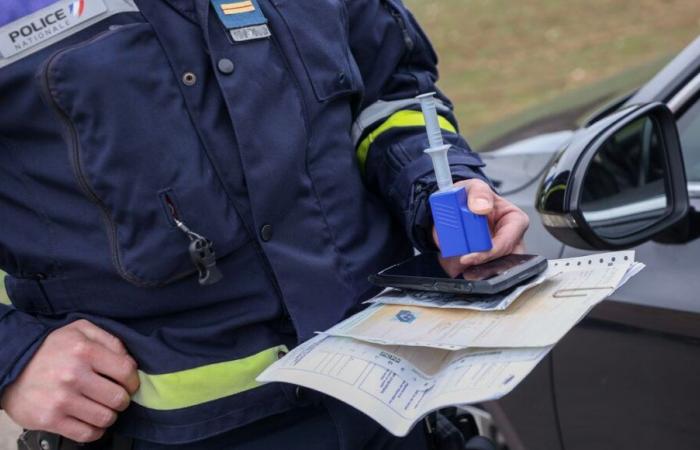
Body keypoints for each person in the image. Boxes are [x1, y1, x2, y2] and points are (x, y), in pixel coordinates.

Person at [0, 0, 529, 448]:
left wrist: (439, 186)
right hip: (173, 429)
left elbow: (390, 93)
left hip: (398, 395)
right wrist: (13, 356)